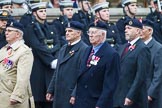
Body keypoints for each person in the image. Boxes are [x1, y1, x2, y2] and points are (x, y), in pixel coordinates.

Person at [70, 21, 120, 108]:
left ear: (103, 35)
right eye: (89, 32)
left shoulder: (111, 54)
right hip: (81, 100)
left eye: (94, 33)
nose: (90, 35)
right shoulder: (87, 50)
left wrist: (101, 104)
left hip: (96, 101)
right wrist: (74, 94)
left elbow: (110, 84)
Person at [24, 2, 60, 108]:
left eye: (44, 11)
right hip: (39, 67)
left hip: (51, 68)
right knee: (38, 99)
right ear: (34, 14)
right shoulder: (30, 28)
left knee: (50, 100)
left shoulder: (51, 28)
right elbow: (37, 47)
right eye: (40, 11)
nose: (44, 13)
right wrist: (50, 60)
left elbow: (58, 44)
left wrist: (55, 58)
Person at [46, 21, 88, 108]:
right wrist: (50, 89)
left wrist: (75, 93)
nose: (67, 33)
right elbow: (57, 71)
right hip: (59, 93)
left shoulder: (84, 49)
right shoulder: (64, 48)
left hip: (70, 94)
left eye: (70, 31)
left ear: (78, 33)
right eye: (66, 31)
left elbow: (83, 76)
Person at [113, 18, 151, 108]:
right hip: (118, 98)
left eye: (129, 28)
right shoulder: (122, 47)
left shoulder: (142, 49)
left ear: (138, 31)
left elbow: (140, 76)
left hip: (133, 100)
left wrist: (130, 96)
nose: (126, 31)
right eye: (125, 28)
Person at [0, 21, 34, 108]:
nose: (6, 33)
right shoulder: (4, 49)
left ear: (18, 34)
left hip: (11, 96)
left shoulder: (24, 51)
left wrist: (17, 96)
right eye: (6, 30)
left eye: (10, 31)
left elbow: (23, 77)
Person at [140, 19, 162, 108]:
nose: (139, 32)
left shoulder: (158, 48)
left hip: (151, 94)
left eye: (142, 29)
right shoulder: (138, 46)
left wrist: (150, 94)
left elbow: (158, 74)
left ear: (150, 31)